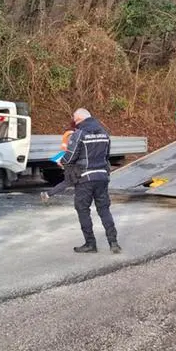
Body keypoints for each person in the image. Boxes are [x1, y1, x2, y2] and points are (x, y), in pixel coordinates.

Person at [61, 108, 121, 254]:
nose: (74, 123)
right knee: (104, 209)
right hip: (101, 177)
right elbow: (106, 156)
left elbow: (70, 158)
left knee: (82, 209)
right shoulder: (104, 133)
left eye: (75, 120)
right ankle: (113, 243)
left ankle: (90, 244)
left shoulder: (79, 134)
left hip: (85, 178)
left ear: (80, 119)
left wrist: (62, 161)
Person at [40, 121, 79, 201]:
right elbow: (71, 149)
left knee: (75, 181)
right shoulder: (72, 134)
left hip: (68, 160)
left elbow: (65, 149)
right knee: (71, 181)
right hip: (71, 161)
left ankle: (47, 194)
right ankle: (47, 194)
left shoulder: (68, 133)